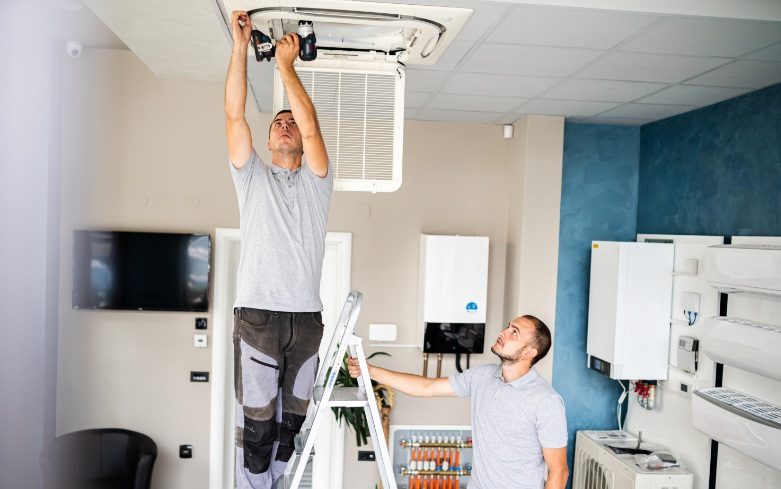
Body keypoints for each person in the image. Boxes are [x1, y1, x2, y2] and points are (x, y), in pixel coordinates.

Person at [225, 10, 333, 489]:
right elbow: (233, 113)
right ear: (267, 141)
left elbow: (313, 131)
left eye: (291, 121)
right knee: (258, 423)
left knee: (292, 425)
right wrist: (240, 46)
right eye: (278, 123)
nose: (287, 125)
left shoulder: (317, 182)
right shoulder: (251, 178)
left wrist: (287, 68)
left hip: (306, 320)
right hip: (259, 318)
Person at [349, 315, 569, 489]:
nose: (503, 332)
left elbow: (559, 471)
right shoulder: (482, 377)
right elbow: (427, 387)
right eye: (508, 326)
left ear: (529, 352)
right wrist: (370, 371)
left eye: (514, 332)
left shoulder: (546, 401)